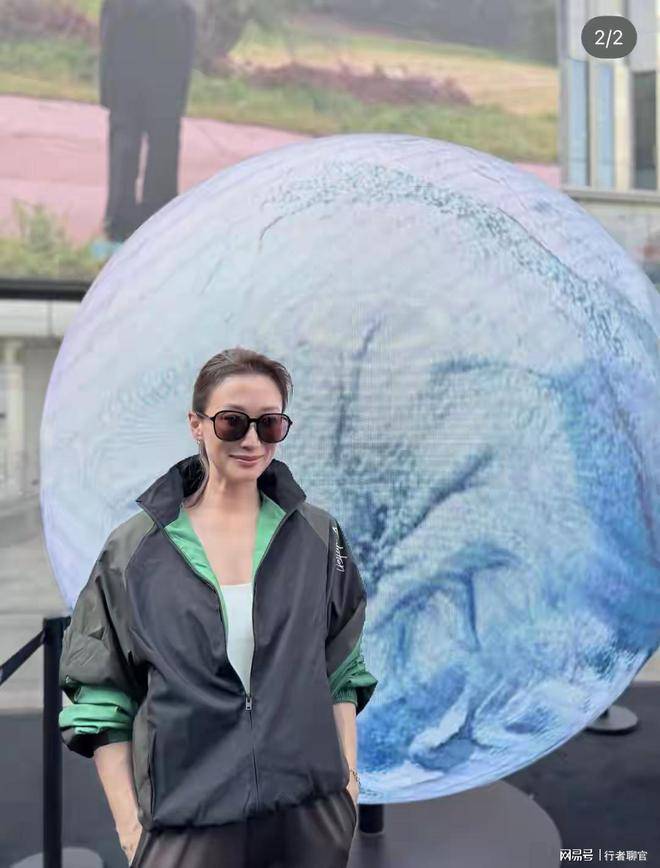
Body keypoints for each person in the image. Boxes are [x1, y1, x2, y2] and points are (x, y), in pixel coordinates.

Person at [58, 346, 379, 867]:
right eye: (233, 422)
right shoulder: (134, 550)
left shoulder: (319, 535)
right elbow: (99, 690)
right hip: (186, 827)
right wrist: (129, 826)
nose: (252, 441)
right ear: (197, 424)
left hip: (311, 819)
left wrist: (347, 777)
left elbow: (341, 663)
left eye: (269, 424)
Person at [99, 0, 196, 243]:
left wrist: (107, 89)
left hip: (125, 74)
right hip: (167, 76)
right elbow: (187, 41)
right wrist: (181, 93)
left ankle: (119, 220)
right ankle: (158, 217)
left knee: (125, 145)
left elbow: (108, 36)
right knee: (164, 147)